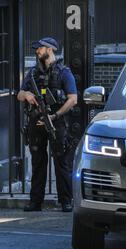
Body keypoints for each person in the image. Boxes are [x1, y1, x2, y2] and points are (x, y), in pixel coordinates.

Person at [17, 37, 78, 212]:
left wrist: (55, 115)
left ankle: (66, 201)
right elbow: (19, 94)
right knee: (37, 162)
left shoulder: (64, 72)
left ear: (50, 49)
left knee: (61, 161)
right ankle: (36, 202)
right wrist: (27, 94)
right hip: (36, 122)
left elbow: (73, 99)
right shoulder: (33, 73)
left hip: (56, 123)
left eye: (40, 48)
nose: (37, 51)